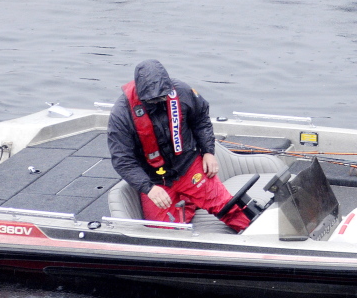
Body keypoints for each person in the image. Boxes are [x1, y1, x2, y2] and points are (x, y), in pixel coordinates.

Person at [107, 60, 250, 232]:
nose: (159, 101)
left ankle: (255, 233)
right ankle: (187, 201)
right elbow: (122, 160)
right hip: (155, 179)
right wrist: (149, 188)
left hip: (188, 165)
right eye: (152, 99)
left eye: (162, 97)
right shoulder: (121, 114)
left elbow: (201, 119)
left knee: (229, 208)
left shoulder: (182, 91)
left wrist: (208, 152)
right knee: (163, 231)